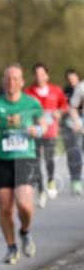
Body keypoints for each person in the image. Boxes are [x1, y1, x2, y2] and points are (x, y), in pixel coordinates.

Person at [0, 64, 45, 264]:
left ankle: (25, 231)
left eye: (15, 78)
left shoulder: (31, 103)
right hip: (2, 160)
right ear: (3, 81)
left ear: (22, 82)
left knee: (24, 204)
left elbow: (43, 126)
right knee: (5, 208)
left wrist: (35, 130)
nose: (11, 82)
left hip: (25, 158)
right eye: (8, 78)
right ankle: (11, 247)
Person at [25, 63, 73, 206]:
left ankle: (51, 180)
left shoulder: (56, 90)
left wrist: (60, 112)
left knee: (49, 159)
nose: (39, 77)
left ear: (47, 75)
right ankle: (41, 190)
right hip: (34, 132)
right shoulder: (28, 92)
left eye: (42, 74)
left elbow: (64, 105)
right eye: (36, 74)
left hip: (50, 131)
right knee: (35, 162)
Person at [60, 68, 83, 196]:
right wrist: (76, 122)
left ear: (77, 77)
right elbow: (69, 108)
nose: (71, 80)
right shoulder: (66, 91)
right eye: (69, 79)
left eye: (73, 77)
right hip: (71, 127)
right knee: (74, 154)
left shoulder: (81, 87)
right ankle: (76, 181)